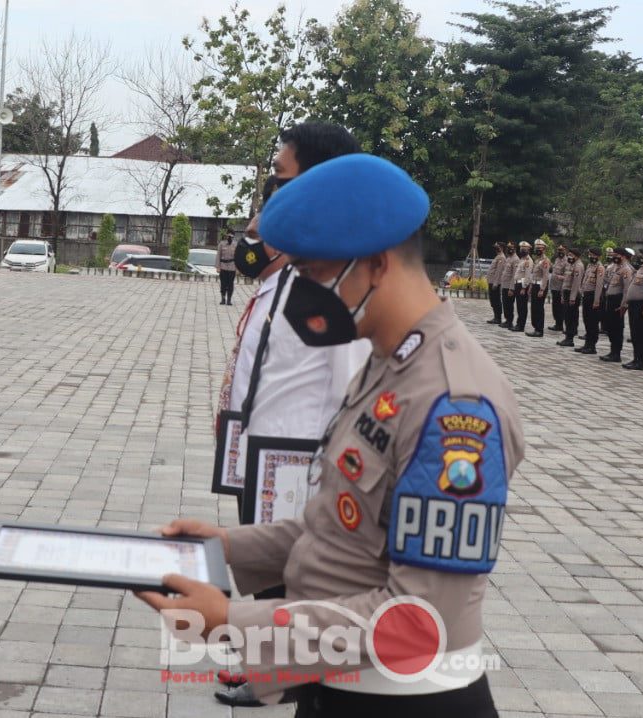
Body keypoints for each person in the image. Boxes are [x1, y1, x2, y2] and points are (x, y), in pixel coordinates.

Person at [138, 153, 522, 717]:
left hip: (405, 702)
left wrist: (230, 622)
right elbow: (341, 527)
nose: (304, 294)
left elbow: (420, 621)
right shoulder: (387, 363)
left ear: (376, 263)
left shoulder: (454, 406)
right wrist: (226, 547)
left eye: (316, 274)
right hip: (336, 685)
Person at [213, 121, 369, 707]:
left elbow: (353, 391)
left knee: (294, 576)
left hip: (300, 463)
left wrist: (331, 480)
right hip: (264, 454)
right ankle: (275, 670)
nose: (269, 197)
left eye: (281, 180)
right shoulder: (292, 276)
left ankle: (284, 676)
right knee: (267, 569)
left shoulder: (337, 286)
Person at [600, 248, 634, 363]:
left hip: (618, 300)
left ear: (623, 256)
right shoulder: (616, 268)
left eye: (617, 255)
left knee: (616, 327)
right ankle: (612, 351)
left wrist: (624, 304)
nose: (614, 257)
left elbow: (626, 289)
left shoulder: (626, 270)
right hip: (610, 299)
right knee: (610, 326)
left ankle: (616, 353)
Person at [574, 247, 605, 354]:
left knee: (593, 322)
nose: (591, 257)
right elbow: (585, 280)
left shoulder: (600, 268)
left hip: (593, 297)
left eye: (593, 255)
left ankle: (592, 346)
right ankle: (587, 344)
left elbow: (599, 286)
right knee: (587, 321)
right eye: (590, 255)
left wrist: (596, 301)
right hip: (586, 296)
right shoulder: (590, 266)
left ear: (598, 256)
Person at [558, 246, 583, 347]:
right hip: (567, 292)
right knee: (567, 317)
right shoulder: (570, 265)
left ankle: (570, 339)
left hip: (573, 294)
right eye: (568, 255)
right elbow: (566, 281)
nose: (569, 257)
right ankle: (568, 337)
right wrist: (563, 295)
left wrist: (572, 297)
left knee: (571, 317)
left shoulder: (578, 266)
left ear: (576, 256)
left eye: (571, 255)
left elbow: (576, 284)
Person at [526, 239, 551, 337]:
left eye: (539, 248)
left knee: (539, 308)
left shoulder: (545, 261)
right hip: (535, 285)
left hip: (541, 286)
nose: (537, 250)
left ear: (544, 249)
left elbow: (545, 276)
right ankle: (536, 327)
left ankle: (539, 330)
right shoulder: (537, 260)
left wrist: (542, 289)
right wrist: (531, 286)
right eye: (536, 248)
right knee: (534, 308)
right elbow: (534, 275)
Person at [511, 240, 532, 332]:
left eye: (524, 249)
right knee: (519, 306)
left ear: (528, 250)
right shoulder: (522, 260)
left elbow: (527, 275)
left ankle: (521, 325)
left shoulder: (528, 261)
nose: (522, 250)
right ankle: (518, 323)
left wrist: (524, 287)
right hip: (517, 284)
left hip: (522, 285)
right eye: (521, 249)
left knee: (522, 306)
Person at [499, 242, 521, 329]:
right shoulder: (508, 258)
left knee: (509, 304)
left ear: (515, 249)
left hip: (509, 286)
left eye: (511, 248)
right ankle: (507, 320)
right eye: (508, 248)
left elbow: (514, 275)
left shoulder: (516, 259)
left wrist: (511, 289)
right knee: (505, 304)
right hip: (504, 285)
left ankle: (510, 321)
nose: (509, 249)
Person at [548, 243, 568, 331]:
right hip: (554, 287)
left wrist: (561, 277)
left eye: (562, 250)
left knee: (560, 307)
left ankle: (560, 324)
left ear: (565, 251)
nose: (560, 252)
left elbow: (567, 276)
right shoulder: (557, 260)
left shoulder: (567, 261)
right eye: (559, 250)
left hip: (561, 287)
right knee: (555, 306)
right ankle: (557, 323)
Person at [487, 243, 505, 324]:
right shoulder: (498, 256)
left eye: (497, 247)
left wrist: (495, 283)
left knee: (496, 300)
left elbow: (499, 272)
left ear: (501, 248)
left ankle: (498, 318)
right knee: (493, 300)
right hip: (492, 281)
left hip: (495, 283)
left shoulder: (501, 257)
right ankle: (495, 317)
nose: (496, 249)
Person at [216, 234, 237, 305]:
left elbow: (237, 257)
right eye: (228, 236)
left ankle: (229, 300)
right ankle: (223, 299)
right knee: (223, 284)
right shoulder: (221, 244)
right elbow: (218, 255)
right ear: (226, 236)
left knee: (230, 284)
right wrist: (218, 267)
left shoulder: (236, 245)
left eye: (231, 236)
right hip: (223, 266)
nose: (229, 237)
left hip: (232, 267)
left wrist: (238, 269)